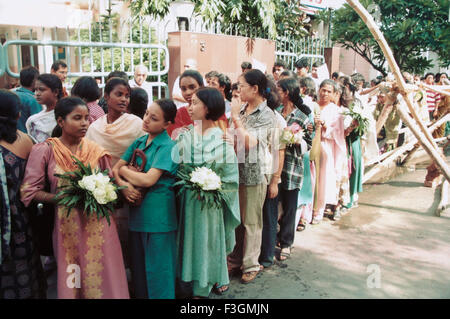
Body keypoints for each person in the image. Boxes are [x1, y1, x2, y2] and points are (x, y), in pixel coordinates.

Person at [21, 97, 129, 299]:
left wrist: (106, 192)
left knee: (105, 274)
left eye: (87, 118)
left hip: (100, 227)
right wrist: (60, 198)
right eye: (77, 118)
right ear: (60, 121)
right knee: (74, 275)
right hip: (67, 229)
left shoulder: (96, 152)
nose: (84, 123)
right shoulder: (46, 150)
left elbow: (111, 185)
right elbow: (29, 190)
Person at [175, 87, 240, 298]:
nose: (189, 107)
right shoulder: (184, 136)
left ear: (208, 107)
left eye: (194, 103)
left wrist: (213, 188)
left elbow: (231, 180)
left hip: (210, 206)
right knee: (189, 243)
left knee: (207, 243)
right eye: (189, 102)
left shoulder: (223, 142)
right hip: (188, 202)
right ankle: (189, 283)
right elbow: (177, 169)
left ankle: (204, 286)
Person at [113, 99, 178, 299]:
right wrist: (124, 187)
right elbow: (115, 169)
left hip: (159, 218)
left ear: (167, 124)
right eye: (147, 114)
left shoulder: (169, 146)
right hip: (138, 215)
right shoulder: (140, 141)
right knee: (139, 271)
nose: (147, 119)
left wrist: (123, 171)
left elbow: (149, 179)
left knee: (159, 273)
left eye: (154, 118)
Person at [226, 69, 278, 284]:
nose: (238, 91)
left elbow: (250, 142)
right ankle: (235, 259)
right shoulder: (244, 110)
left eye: (242, 86)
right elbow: (233, 136)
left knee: (251, 223)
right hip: (234, 171)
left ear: (255, 88)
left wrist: (236, 118)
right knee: (236, 221)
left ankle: (251, 264)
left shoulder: (267, 115)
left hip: (255, 173)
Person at [0, 89, 47, 299]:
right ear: (18, 115)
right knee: (24, 269)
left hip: (8, 221)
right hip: (21, 220)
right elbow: (40, 177)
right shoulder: (26, 141)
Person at [274, 78, 312, 260]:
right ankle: (274, 237)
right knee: (274, 204)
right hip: (275, 166)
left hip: (292, 167)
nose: (275, 93)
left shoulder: (302, 117)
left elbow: (309, 144)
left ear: (287, 92)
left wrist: (296, 140)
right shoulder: (276, 112)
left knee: (290, 206)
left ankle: (286, 243)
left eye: (278, 90)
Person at [86, 78, 144, 166]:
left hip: (128, 176)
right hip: (98, 177)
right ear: (106, 96)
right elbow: (87, 156)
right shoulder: (95, 127)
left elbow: (145, 154)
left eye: (127, 96)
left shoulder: (136, 124)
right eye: (119, 94)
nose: (124, 99)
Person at [312, 80, 347, 224]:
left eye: (328, 91)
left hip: (325, 145)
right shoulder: (313, 105)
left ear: (333, 94)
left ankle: (318, 211)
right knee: (311, 178)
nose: (325, 93)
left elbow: (338, 133)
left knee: (322, 179)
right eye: (323, 90)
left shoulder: (335, 110)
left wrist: (324, 125)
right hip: (311, 144)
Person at [167, 70, 228, 138]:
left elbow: (224, 139)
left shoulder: (215, 111)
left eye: (192, 87)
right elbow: (172, 140)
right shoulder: (178, 115)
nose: (188, 92)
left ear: (201, 86)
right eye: (183, 89)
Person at [26, 74, 63, 143]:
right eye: (36, 90)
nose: (37, 93)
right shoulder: (33, 120)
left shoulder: (66, 114)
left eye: (42, 90)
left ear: (56, 92)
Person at [14, 66, 42, 133]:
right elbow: (39, 124)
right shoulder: (33, 100)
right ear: (34, 81)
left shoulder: (12, 95)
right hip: (27, 138)